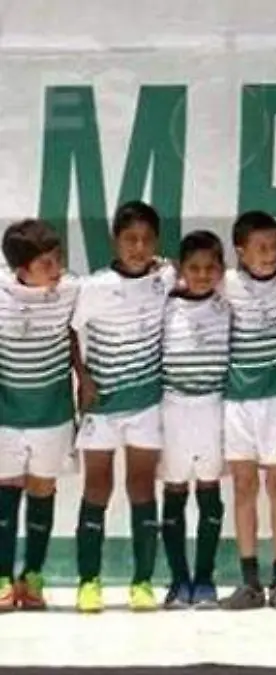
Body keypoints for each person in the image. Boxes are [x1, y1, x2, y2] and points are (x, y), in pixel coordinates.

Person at [71, 201, 175, 613]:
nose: (139, 247)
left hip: (145, 402)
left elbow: (186, 273)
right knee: (97, 486)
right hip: (102, 405)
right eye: (130, 239)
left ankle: (142, 582)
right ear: (115, 240)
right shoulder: (95, 287)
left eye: (147, 240)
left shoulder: (164, 278)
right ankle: (88, 581)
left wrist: (166, 266)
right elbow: (70, 331)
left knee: (142, 486)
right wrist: (83, 377)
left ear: (157, 242)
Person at [219, 211, 276, 610]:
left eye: (275, 246)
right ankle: (249, 580)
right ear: (241, 251)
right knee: (244, 487)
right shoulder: (227, 283)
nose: (270, 254)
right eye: (261, 248)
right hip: (238, 401)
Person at [0, 219, 81, 611]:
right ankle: (1, 577)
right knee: (5, 492)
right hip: (6, 415)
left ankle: (32, 576)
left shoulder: (70, 291)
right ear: (22, 269)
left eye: (57, 259)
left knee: (42, 490)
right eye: (46, 263)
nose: (56, 268)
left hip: (53, 414)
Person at [158, 230, 230, 610]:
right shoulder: (166, 305)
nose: (203, 275)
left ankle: (204, 578)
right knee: (174, 490)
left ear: (221, 269)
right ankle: (178, 579)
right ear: (181, 270)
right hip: (173, 407)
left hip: (212, 407)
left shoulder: (226, 304)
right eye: (194, 268)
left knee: (209, 490)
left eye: (210, 268)